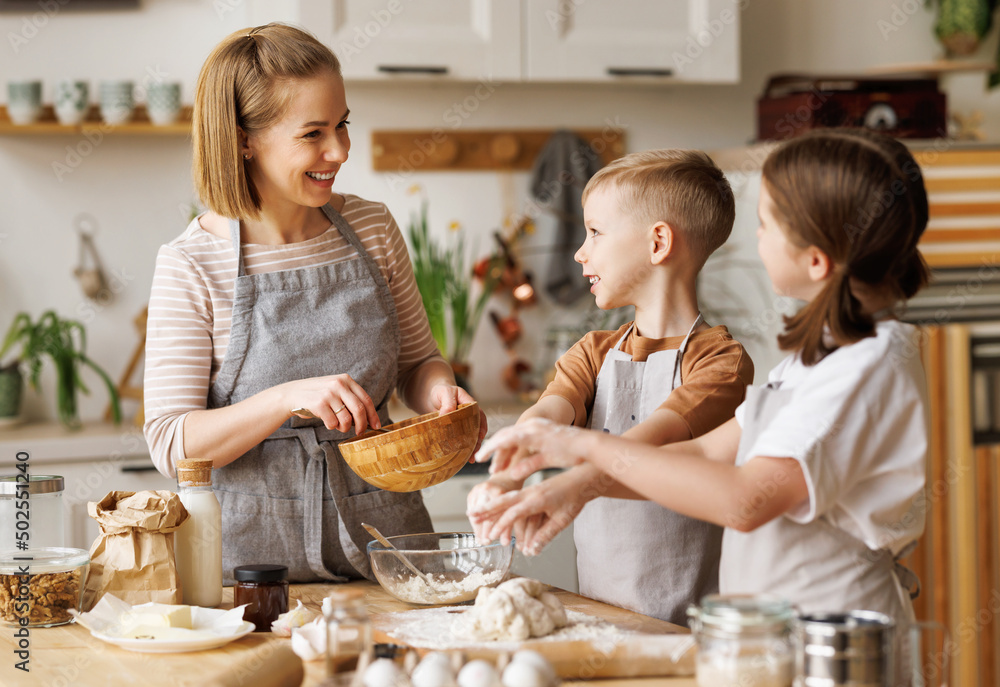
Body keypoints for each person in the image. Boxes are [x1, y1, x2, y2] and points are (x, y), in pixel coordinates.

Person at [471, 129, 929, 641]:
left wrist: (577, 447)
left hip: (834, 641)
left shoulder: (865, 368)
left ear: (816, 259)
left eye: (766, 224)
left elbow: (746, 500)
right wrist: (570, 487)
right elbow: (711, 454)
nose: (755, 239)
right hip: (777, 642)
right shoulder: (815, 361)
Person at [143, 23, 485, 584]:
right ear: (244, 139)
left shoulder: (371, 227)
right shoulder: (192, 263)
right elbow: (173, 442)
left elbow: (417, 365)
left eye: (343, 124)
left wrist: (439, 392)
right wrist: (286, 398)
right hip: (248, 576)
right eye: (313, 134)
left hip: (391, 552)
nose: (340, 151)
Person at [468, 149, 754, 625]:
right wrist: (507, 475)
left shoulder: (720, 363)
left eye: (596, 232)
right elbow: (546, 418)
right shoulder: (593, 351)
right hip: (601, 615)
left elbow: (648, 446)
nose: (581, 251)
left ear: (658, 242)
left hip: (692, 628)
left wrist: (564, 487)